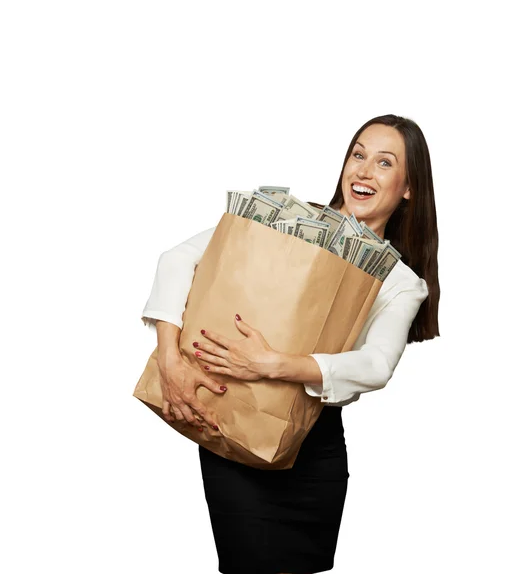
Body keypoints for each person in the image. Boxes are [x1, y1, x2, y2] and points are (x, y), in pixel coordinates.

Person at [140, 113, 440, 574]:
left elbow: (377, 364)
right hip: (237, 427)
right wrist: (168, 359)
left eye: (384, 163)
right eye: (358, 155)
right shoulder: (289, 226)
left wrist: (273, 364)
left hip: (315, 451)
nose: (363, 170)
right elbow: (178, 259)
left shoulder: (400, 281)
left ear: (409, 188)